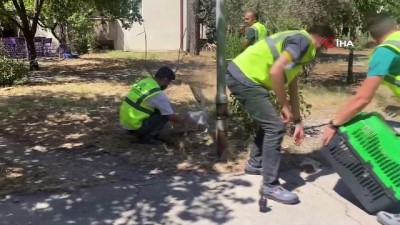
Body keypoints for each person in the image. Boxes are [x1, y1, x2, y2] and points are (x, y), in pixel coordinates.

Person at [226, 24, 335, 204]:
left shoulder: (299, 49)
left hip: (246, 77)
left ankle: (255, 164)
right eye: (328, 45)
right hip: (245, 78)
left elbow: (292, 87)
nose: (325, 50)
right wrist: (283, 105)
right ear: (324, 40)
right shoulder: (302, 42)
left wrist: (298, 122)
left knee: (272, 123)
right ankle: (269, 186)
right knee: (274, 127)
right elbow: (276, 70)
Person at [321, 14, 400, 145]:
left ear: (374, 39)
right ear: (395, 27)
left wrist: (333, 124)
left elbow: (362, 98)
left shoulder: (385, 51)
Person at [119, 66, 187, 145]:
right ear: (165, 79)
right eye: (169, 82)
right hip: (134, 126)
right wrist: (184, 120)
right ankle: (146, 138)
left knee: (161, 109)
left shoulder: (145, 81)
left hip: (125, 122)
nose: (168, 85)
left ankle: (137, 132)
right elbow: (171, 117)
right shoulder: (157, 94)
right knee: (164, 115)